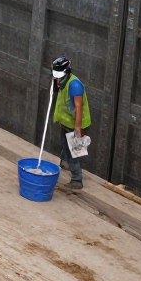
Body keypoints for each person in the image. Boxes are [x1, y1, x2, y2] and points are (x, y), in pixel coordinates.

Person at [51, 56, 90, 190]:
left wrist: (78, 128)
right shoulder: (61, 81)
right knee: (64, 144)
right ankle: (65, 163)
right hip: (66, 121)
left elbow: (78, 107)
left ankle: (76, 180)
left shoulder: (74, 85)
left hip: (76, 124)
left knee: (73, 152)